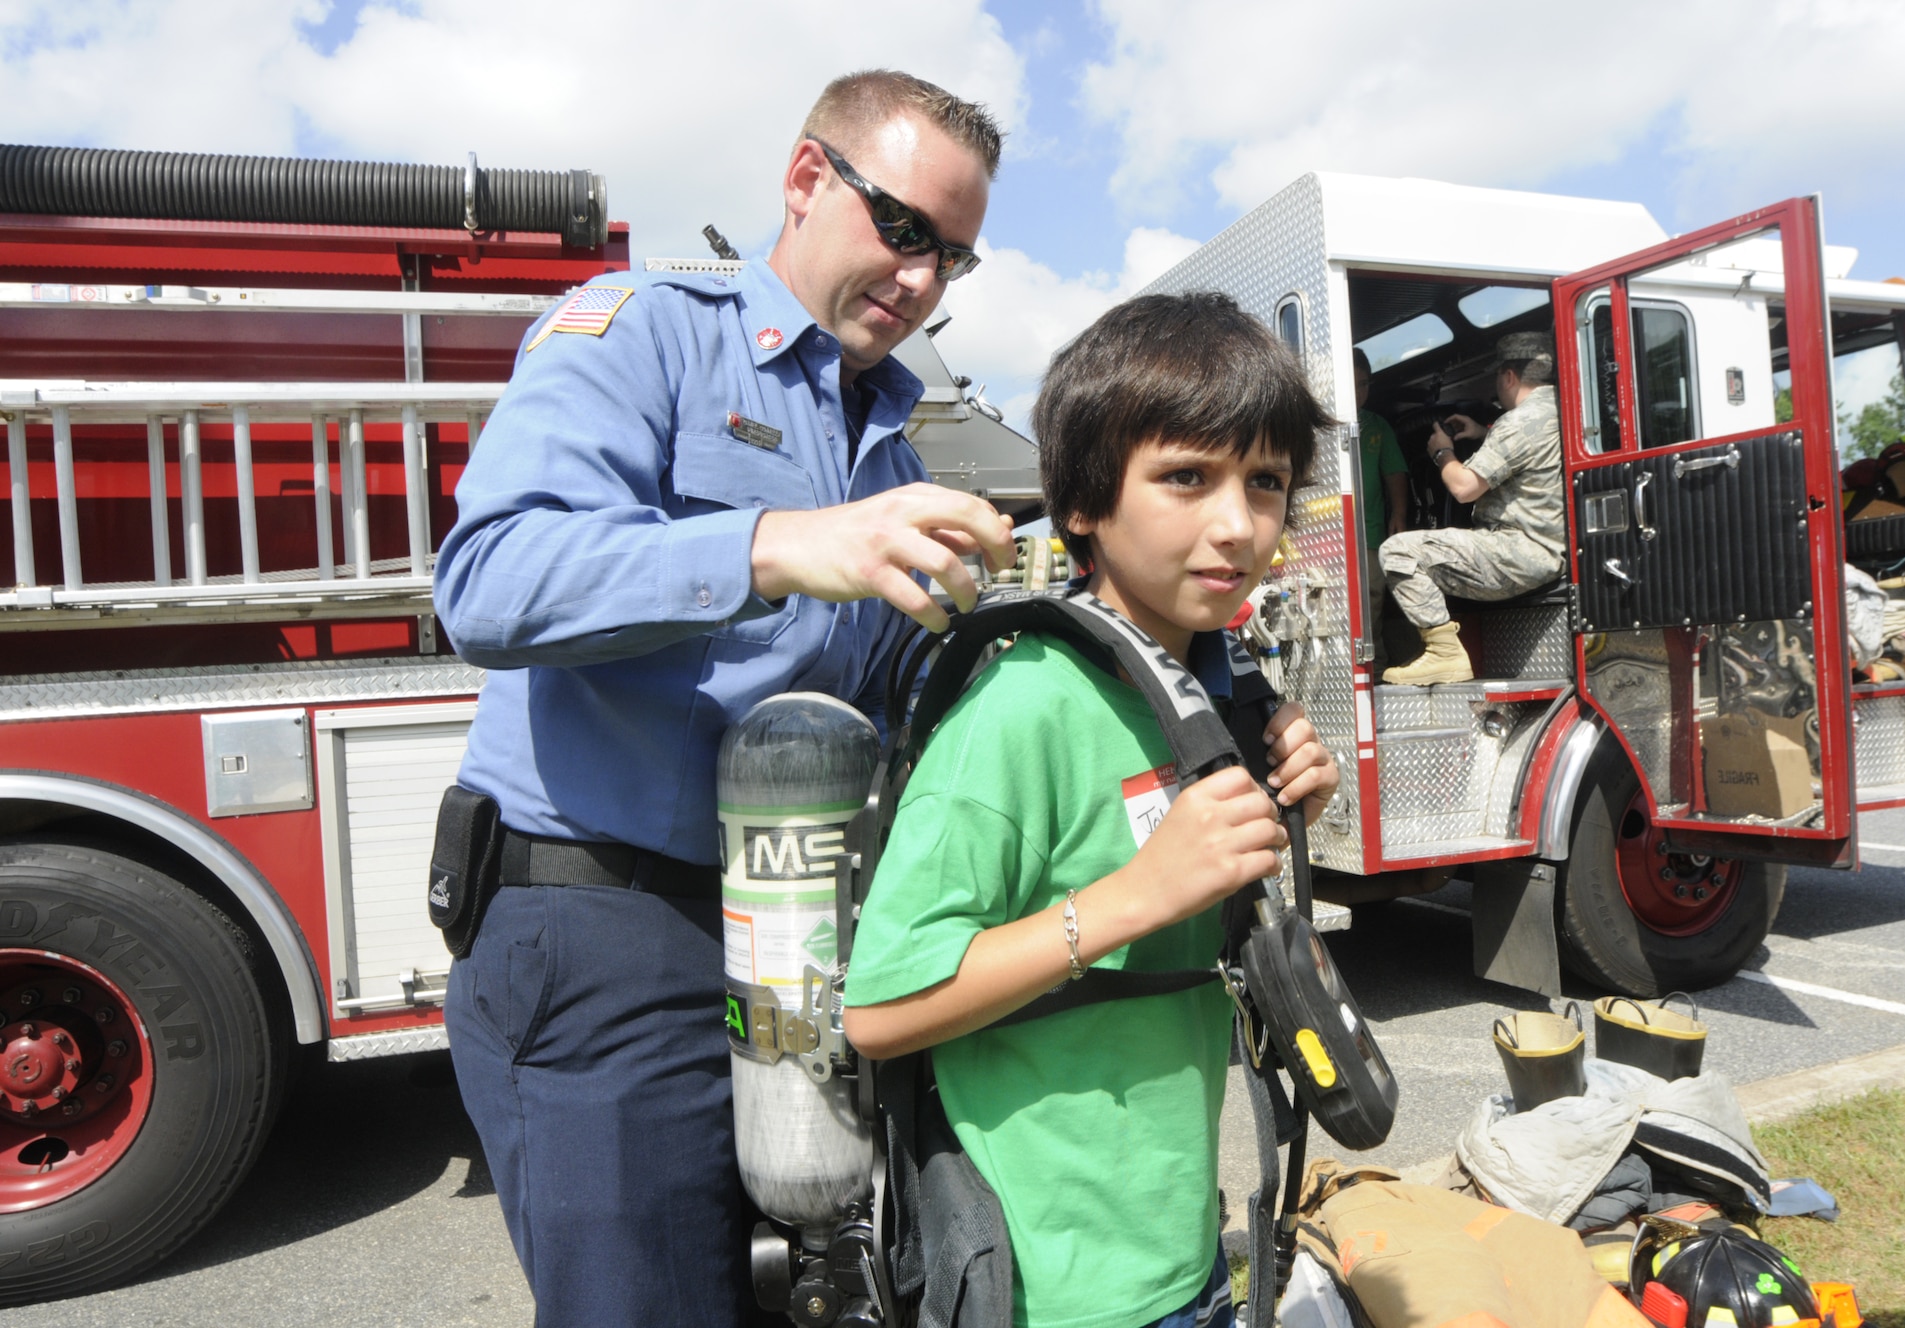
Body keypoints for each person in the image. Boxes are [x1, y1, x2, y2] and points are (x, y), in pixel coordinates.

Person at [431, 71, 1016, 1327]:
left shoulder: (892, 449)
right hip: (603, 934)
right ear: (806, 179)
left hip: (795, 937)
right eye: (903, 229)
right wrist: (770, 546)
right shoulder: (640, 330)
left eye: (951, 260)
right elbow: (485, 585)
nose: (919, 281)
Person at [842, 293, 1341, 1328]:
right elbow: (878, 1011)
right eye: (1184, 478)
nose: (1236, 523)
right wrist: (1132, 895)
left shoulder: (1210, 685)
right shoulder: (1022, 707)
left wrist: (1288, 805)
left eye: (1264, 483)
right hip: (1048, 1292)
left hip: (1185, 1259)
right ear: (1080, 505)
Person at [1377, 330, 1565, 686]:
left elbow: (1464, 488)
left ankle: (1445, 654)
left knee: (1399, 552)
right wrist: (1484, 432)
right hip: (1549, 549)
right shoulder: (1562, 411)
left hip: (1521, 552)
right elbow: (1526, 451)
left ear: (1509, 376)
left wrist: (1441, 452)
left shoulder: (1521, 421)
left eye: (1498, 376)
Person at [1353, 347, 1411, 638]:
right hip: (1325, 536)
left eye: (1363, 384)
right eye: (1351, 384)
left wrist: (1399, 513)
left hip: (1370, 532)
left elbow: (1394, 472)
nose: (1358, 392)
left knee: (1371, 596)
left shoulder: (1377, 426)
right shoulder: (1317, 425)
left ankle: (1374, 667)